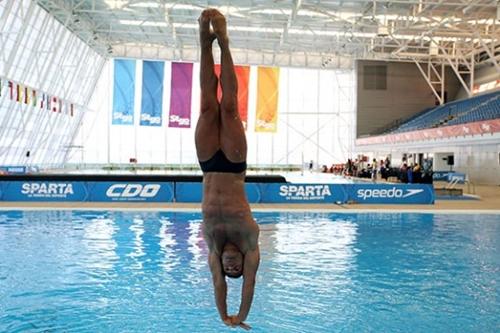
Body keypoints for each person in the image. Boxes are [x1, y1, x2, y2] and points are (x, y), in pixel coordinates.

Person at [195, 9, 260, 330]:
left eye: (228, 267)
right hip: (233, 166)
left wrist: (223, 316)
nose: (233, 265)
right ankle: (224, 41)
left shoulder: (213, 243)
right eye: (237, 267)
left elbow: (219, 284)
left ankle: (204, 41)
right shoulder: (249, 240)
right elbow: (247, 285)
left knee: (208, 106)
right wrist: (240, 315)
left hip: (208, 165)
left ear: (220, 264)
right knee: (230, 106)